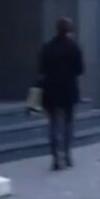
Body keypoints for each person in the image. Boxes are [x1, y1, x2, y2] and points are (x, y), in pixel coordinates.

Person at [38, 17, 85, 170]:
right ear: (69, 31)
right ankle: (67, 154)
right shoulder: (74, 48)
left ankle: (55, 157)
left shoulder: (48, 47)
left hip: (51, 90)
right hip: (68, 90)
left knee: (53, 124)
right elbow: (80, 70)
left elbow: (41, 69)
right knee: (68, 123)